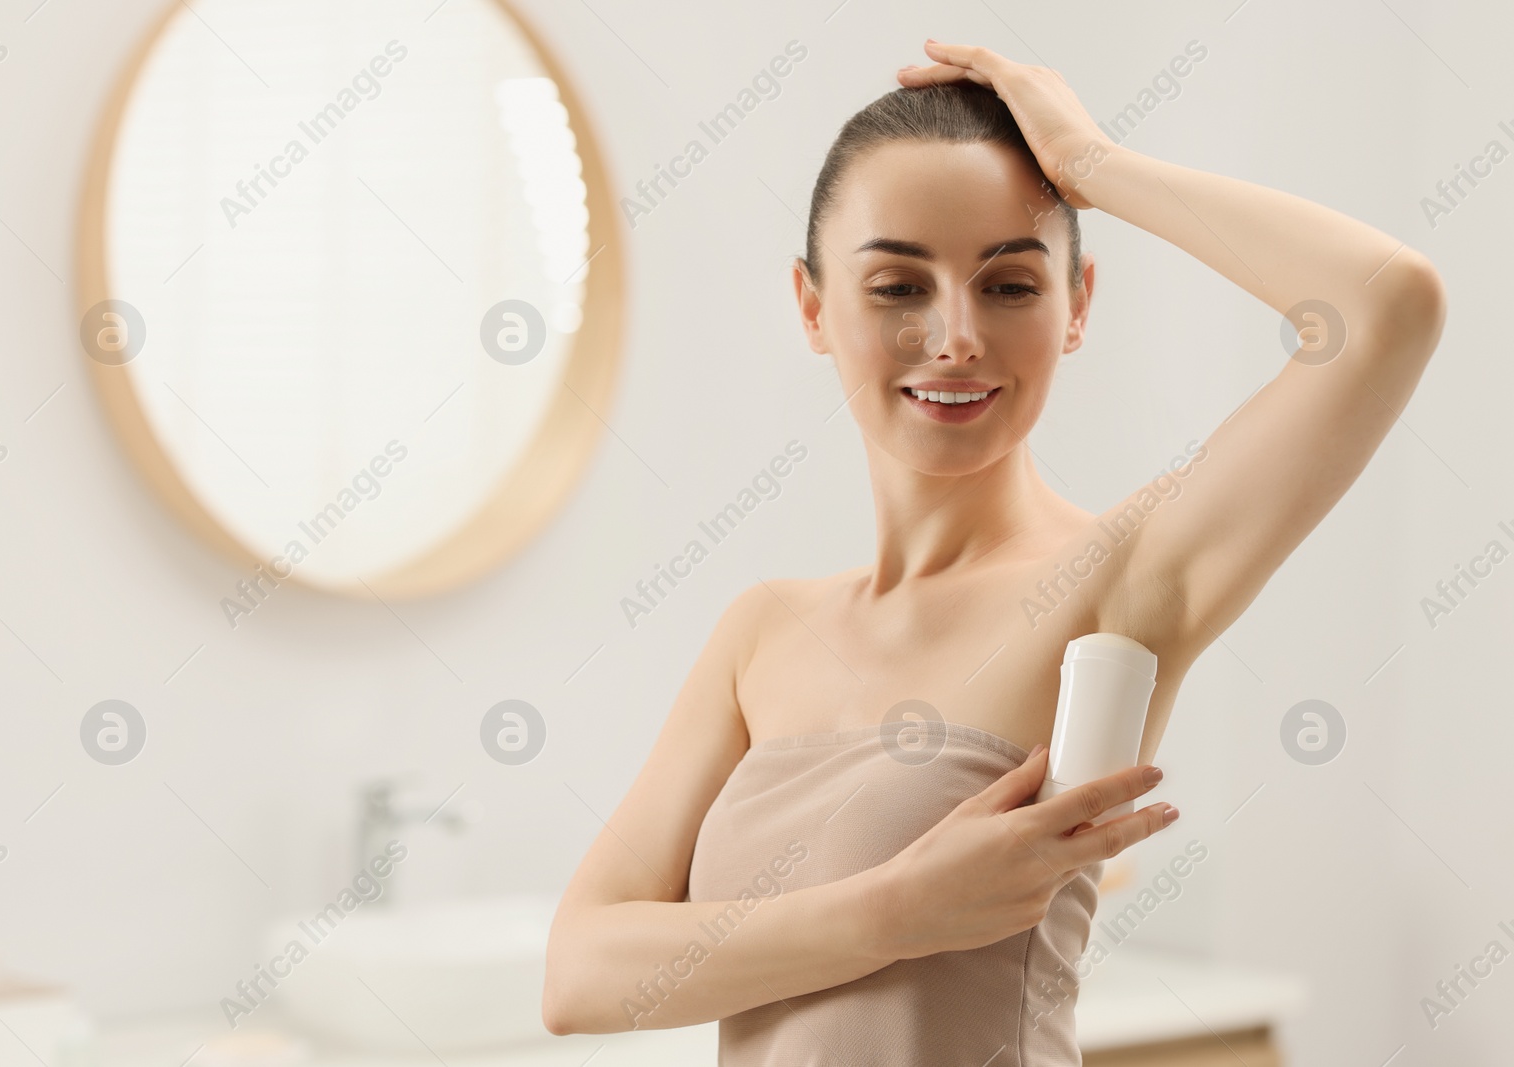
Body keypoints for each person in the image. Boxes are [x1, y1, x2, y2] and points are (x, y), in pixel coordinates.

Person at [543, 38, 1447, 1063]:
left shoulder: (1116, 579)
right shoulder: (763, 631)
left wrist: (1096, 166)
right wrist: (896, 909)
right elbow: (577, 975)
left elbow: (1385, 305)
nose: (956, 335)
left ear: (1077, 306)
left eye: (1010, 285)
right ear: (812, 307)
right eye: (896, 285)